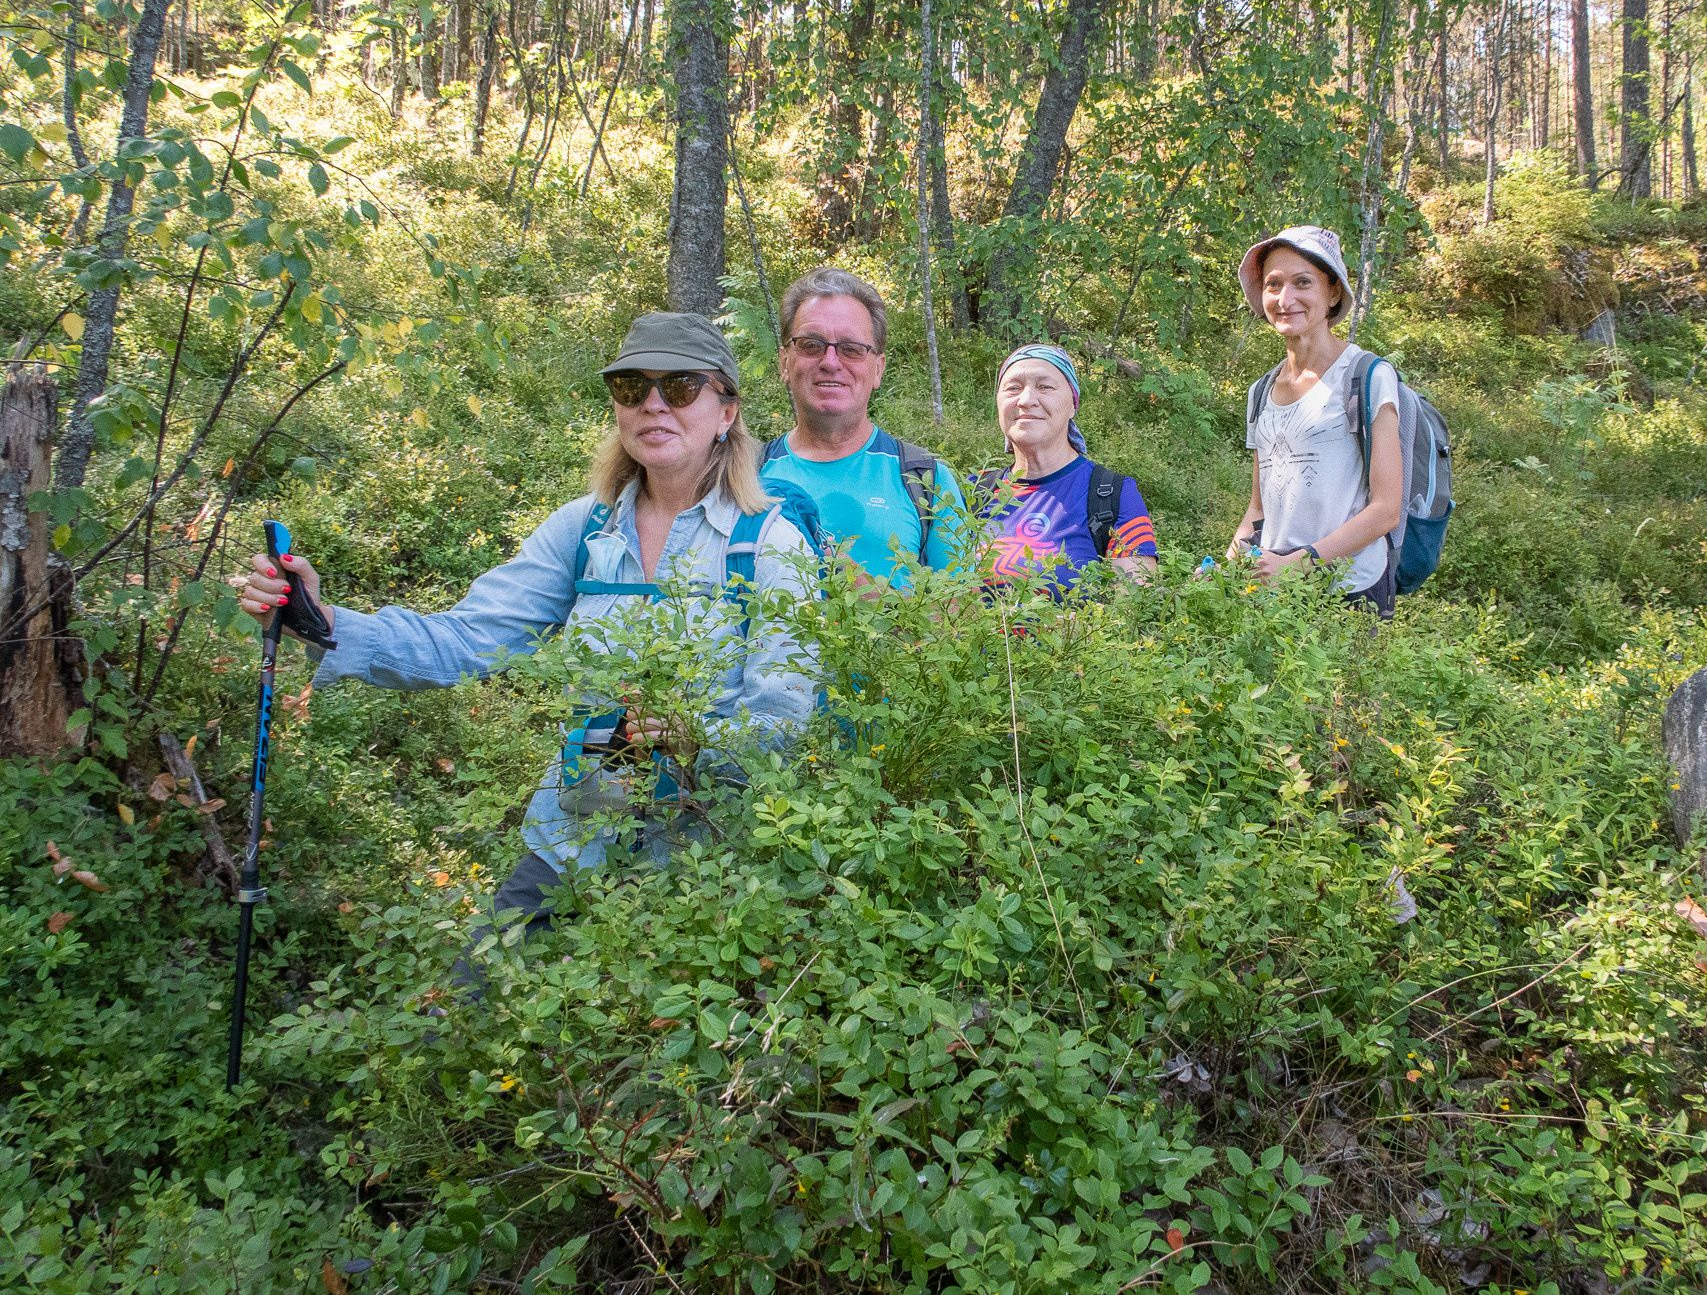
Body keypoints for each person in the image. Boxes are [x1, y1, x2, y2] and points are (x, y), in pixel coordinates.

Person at [230, 310, 821, 948]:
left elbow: (784, 725)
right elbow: (463, 640)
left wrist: (697, 738)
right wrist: (320, 622)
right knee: (472, 1008)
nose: (653, 404)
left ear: (726, 412)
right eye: (631, 388)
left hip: (710, 871)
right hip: (574, 840)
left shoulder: (769, 543)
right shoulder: (584, 531)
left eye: (679, 387)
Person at [1229, 225, 1404, 617]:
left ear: (1334, 292)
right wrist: (1225, 569)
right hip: (1272, 590)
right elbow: (1258, 510)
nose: (1285, 298)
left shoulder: (1367, 376)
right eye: (1273, 284)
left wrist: (1297, 564)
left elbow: (1386, 509)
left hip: (1348, 594)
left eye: (1302, 282)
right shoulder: (1261, 391)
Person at [759, 267, 965, 586]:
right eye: (811, 344)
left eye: (851, 348)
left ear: (878, 369)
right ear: (785, 361)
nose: (830, 361)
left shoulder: (927, 480)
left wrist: (879, 608)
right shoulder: (743, 475)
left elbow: (962, 617)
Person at [976, 344, 1157, 593]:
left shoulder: (1114, 495)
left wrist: (1077, 628)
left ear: (1072, 405)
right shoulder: (975, 492)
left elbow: (1134, 611)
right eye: (1013, 388)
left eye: (1045, 387)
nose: (1026, 400)